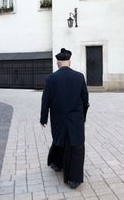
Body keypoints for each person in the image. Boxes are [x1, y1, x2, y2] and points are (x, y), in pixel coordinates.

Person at [40, 48, 89, 189]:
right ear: (70, 62)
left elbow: (45, 101)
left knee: (59, 140)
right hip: (76, 119)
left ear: (57, 63)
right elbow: (85, 99)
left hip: (58, 119)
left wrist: (43, 118)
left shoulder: (51, 78)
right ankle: (74, 179)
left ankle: (57, 164)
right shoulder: (79, 77)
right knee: (76, 146)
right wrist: (83, 116)